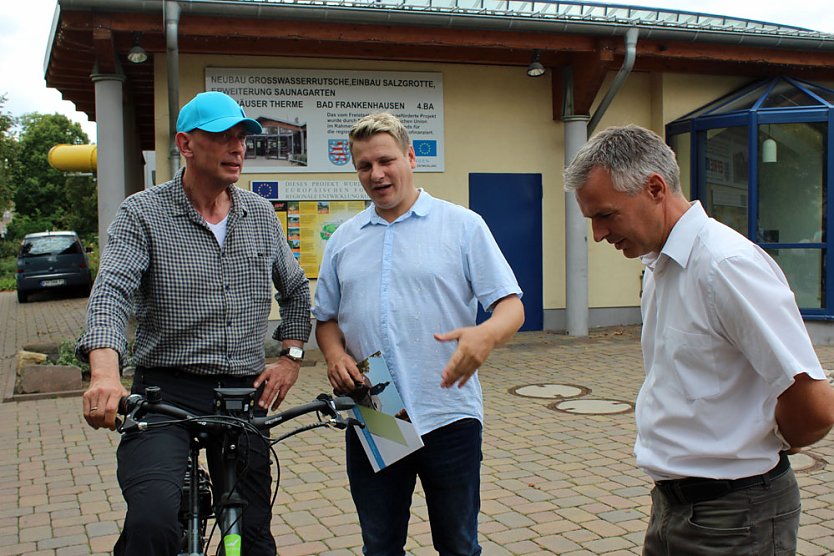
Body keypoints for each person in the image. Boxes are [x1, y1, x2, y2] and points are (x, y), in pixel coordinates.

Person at [563, 124, 834, 555]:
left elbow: (814, 404)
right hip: (681, 508)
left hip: (736, 516)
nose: (598, 234)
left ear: (654, 188)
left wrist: (767, 442)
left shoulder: (725, 265)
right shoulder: (662, 266)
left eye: (606, 215)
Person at [77, 91, 312, 555]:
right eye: (223, 137)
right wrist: (105, 373)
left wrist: (290, 359)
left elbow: (297, 292)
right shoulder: (142, 213)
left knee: (251, 538)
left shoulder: (260, 215)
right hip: (166, 393)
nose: (238, 147)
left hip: (244, 394)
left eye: (242, 137)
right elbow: (112, 294)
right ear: (186, 145)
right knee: (153, 521)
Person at [313, 112, 524, 555]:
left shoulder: (461, 226)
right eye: (364, 166)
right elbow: (326, 317)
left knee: (458, 544)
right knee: (382, 544)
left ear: (411, 157)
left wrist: (486, 335)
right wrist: (334, 355)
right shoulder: (345, 239)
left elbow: (510, 305)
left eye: (386, 160)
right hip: (377, 404)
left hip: (447, 407)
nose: (377, 174)